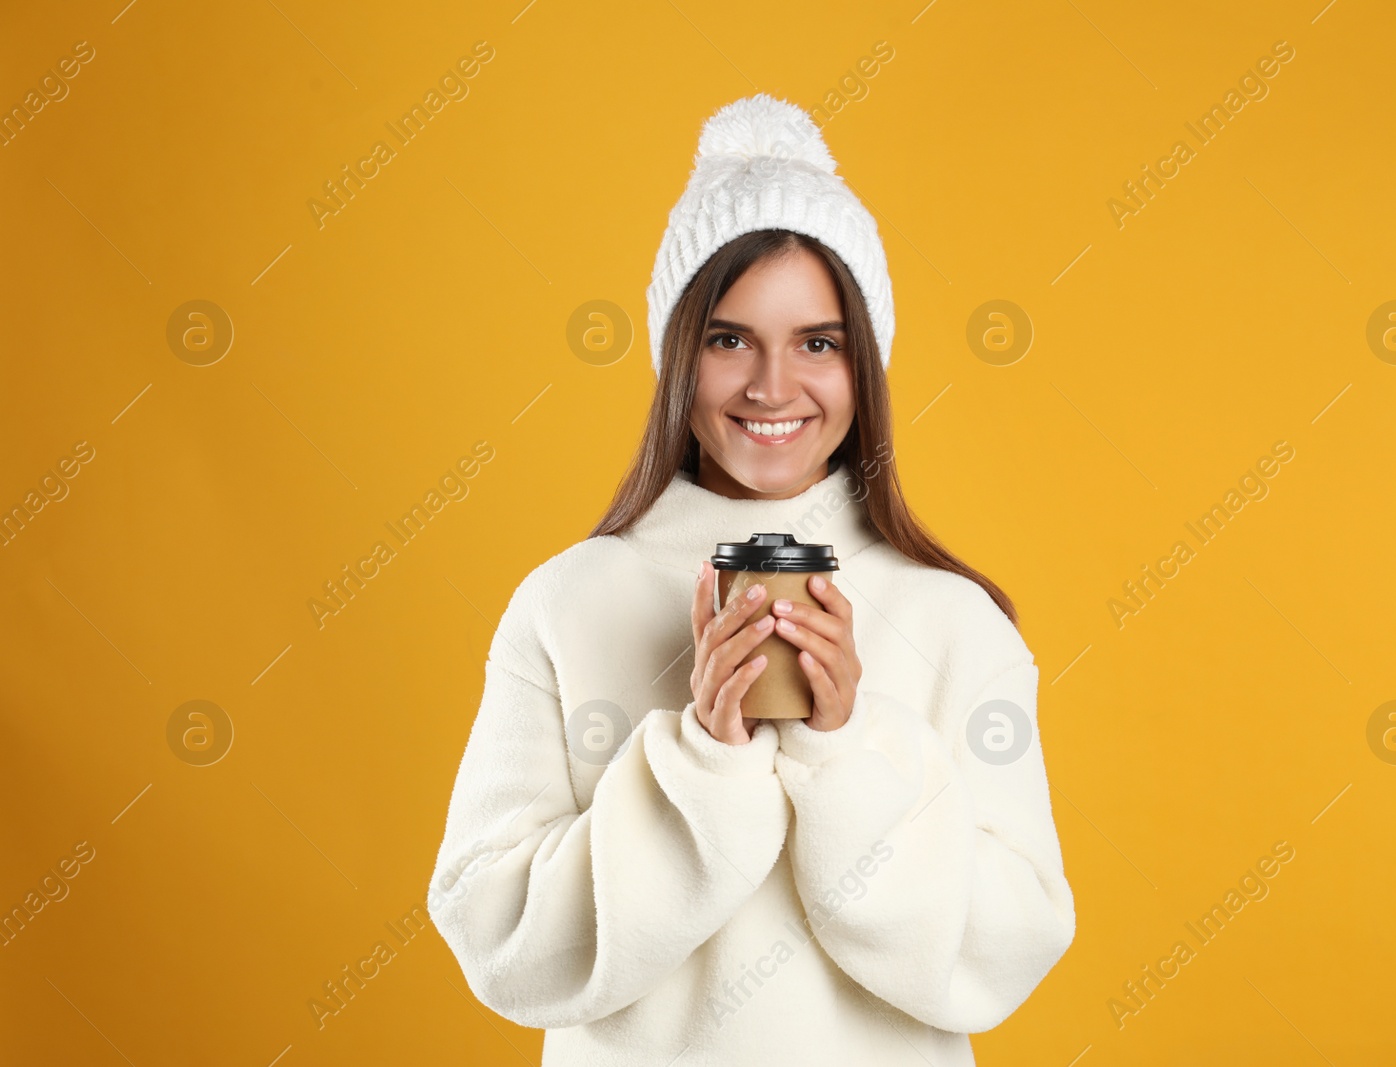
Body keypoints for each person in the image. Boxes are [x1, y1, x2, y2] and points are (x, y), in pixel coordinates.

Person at [427, 92, 1075, 1066]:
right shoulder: (565, 604)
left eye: (817, 341)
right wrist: (700, 762)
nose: (773, 386)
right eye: (729, 338)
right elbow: (500, 940)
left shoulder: (954, 622)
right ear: (678, 356)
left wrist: (848, 750)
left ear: (866, 362)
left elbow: (1008, 945)